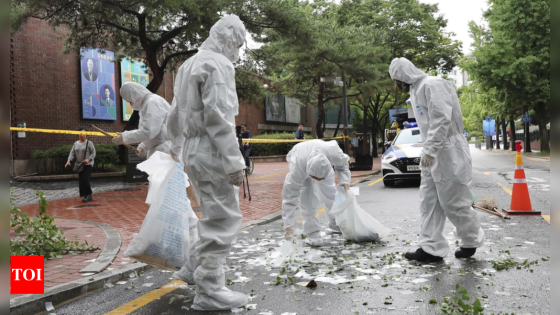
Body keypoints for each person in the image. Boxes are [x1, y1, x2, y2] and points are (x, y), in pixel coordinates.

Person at [166, 15, 248, 311]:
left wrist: (176, 146)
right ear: (228, 37)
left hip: (192, 149)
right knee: (222, 218)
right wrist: (234, 161)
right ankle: (209, 289)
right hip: (211, 150)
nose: (237, 51)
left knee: (210, 213)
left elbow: (175, 112)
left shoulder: (188, 64)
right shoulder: (218, 64)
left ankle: (192, 268)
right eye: (237, 43)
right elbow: (219, 115)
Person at [389, 57, 485, 262]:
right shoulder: (415, 91)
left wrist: (431, 149)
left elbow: (442, 117)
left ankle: (470, 240)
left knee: (454, 200)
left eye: (397, 80)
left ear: (404, 74)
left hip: (450, 150)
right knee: (429, 201)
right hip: (432, 150)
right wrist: (429, 150)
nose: (397, 84)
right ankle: (430, 247)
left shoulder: (433, 84)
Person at [282, 140, 350, 246]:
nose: (318, 180)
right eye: (315, 178)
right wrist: (288, 227)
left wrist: (344, 181)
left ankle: (335, 223)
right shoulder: (297, 170)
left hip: (319, 160)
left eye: (320, 178)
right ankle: (313, 232)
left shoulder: (333, 153)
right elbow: (289, 198)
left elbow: (343, 164)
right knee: (307, 198)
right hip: (299, 156)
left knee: (330, 194)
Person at [112, 82, 171, 159]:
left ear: (133, 95)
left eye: (130, 101)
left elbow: (149, 132)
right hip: (161, 151)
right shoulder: (147, 104)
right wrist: (143, 146)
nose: (130, 104)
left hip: (165, 151)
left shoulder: (152, 102)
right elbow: (154, 132)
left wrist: (125, 137)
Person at [65, 129, 96, 202]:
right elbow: (72, 153)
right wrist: (68, 161)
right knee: (81, 180)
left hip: (88, 164)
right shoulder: (75, 143)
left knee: (85, 179)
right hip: (80, 164)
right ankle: (85, 195)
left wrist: (88, 160)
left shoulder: (89, 143)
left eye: (83, 134)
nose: (82, 135)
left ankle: (88, 195)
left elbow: (93, 153)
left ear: (86, 135)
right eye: (80, 134)